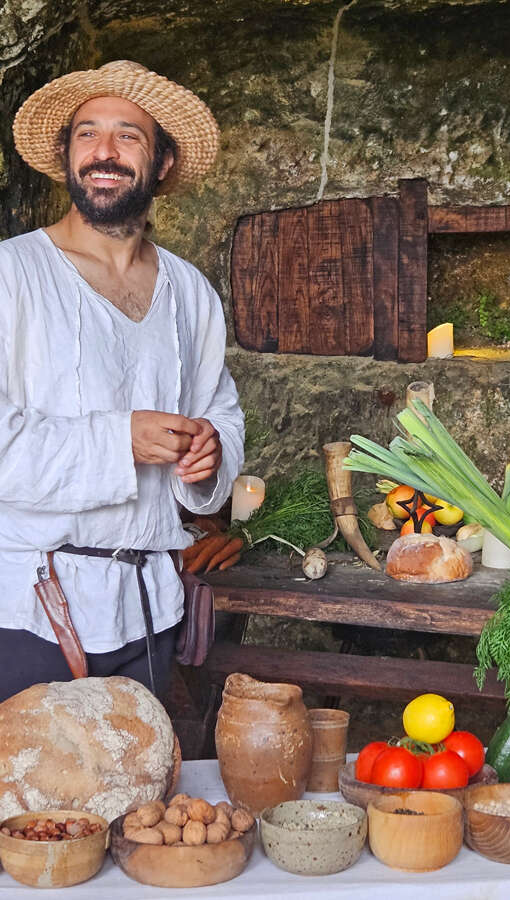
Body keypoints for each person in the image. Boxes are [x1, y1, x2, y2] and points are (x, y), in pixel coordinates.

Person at [0, 60, 244, 702]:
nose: (103, 152)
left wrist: (209, 451)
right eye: (87, 134)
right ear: (65, 154)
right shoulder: (11, 276)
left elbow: (222, 411)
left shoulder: (190, 292)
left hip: (146, 613)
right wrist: (120, 442)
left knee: (145, 801)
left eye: (128, 136)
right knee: (32, 804)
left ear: (161, 162)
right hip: (26, 611)